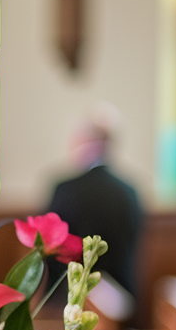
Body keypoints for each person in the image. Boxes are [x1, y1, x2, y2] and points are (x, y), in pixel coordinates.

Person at [48, 115, 143, 300]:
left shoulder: (65, 189)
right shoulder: (129, 191)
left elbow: (52, 248)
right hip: (121, 297)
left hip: (72, 298)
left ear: (86, 143)